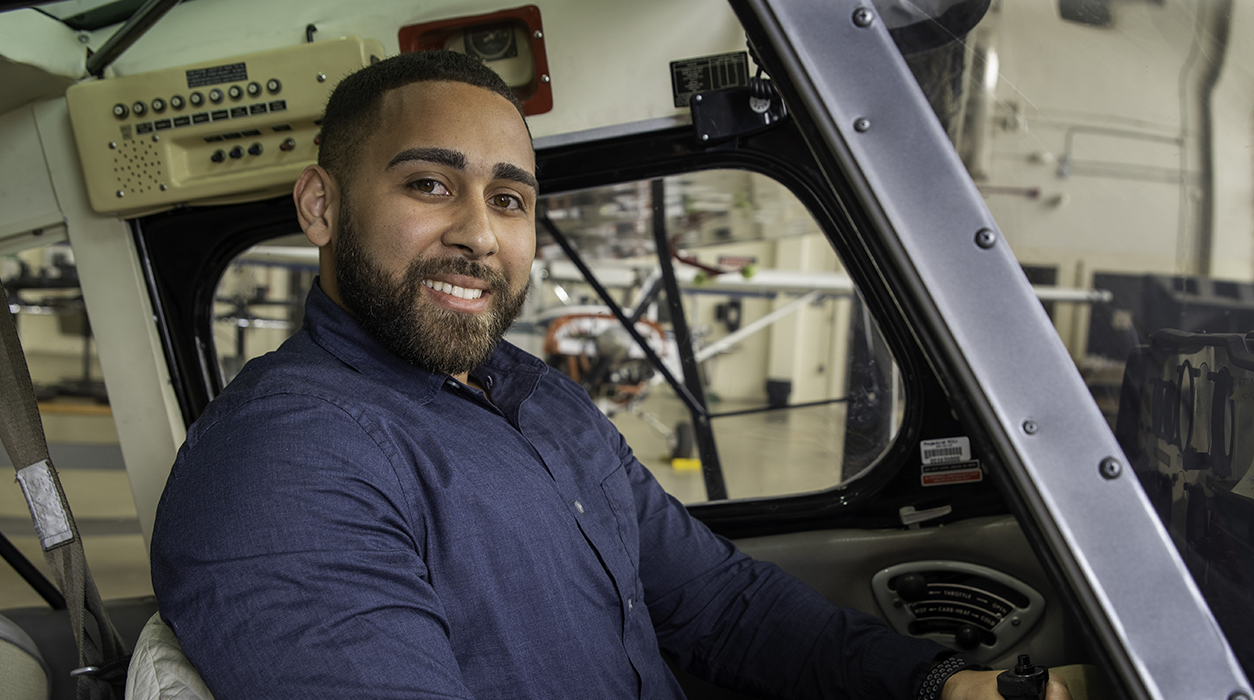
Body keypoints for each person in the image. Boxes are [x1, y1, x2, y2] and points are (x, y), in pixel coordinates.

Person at [150, 50, 1070, 700]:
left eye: (509, 198)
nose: (479, 233)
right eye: (429, 184)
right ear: (321, 205)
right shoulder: (283, 464)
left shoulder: (532, 395)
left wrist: (937, 684)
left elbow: (719, 604)